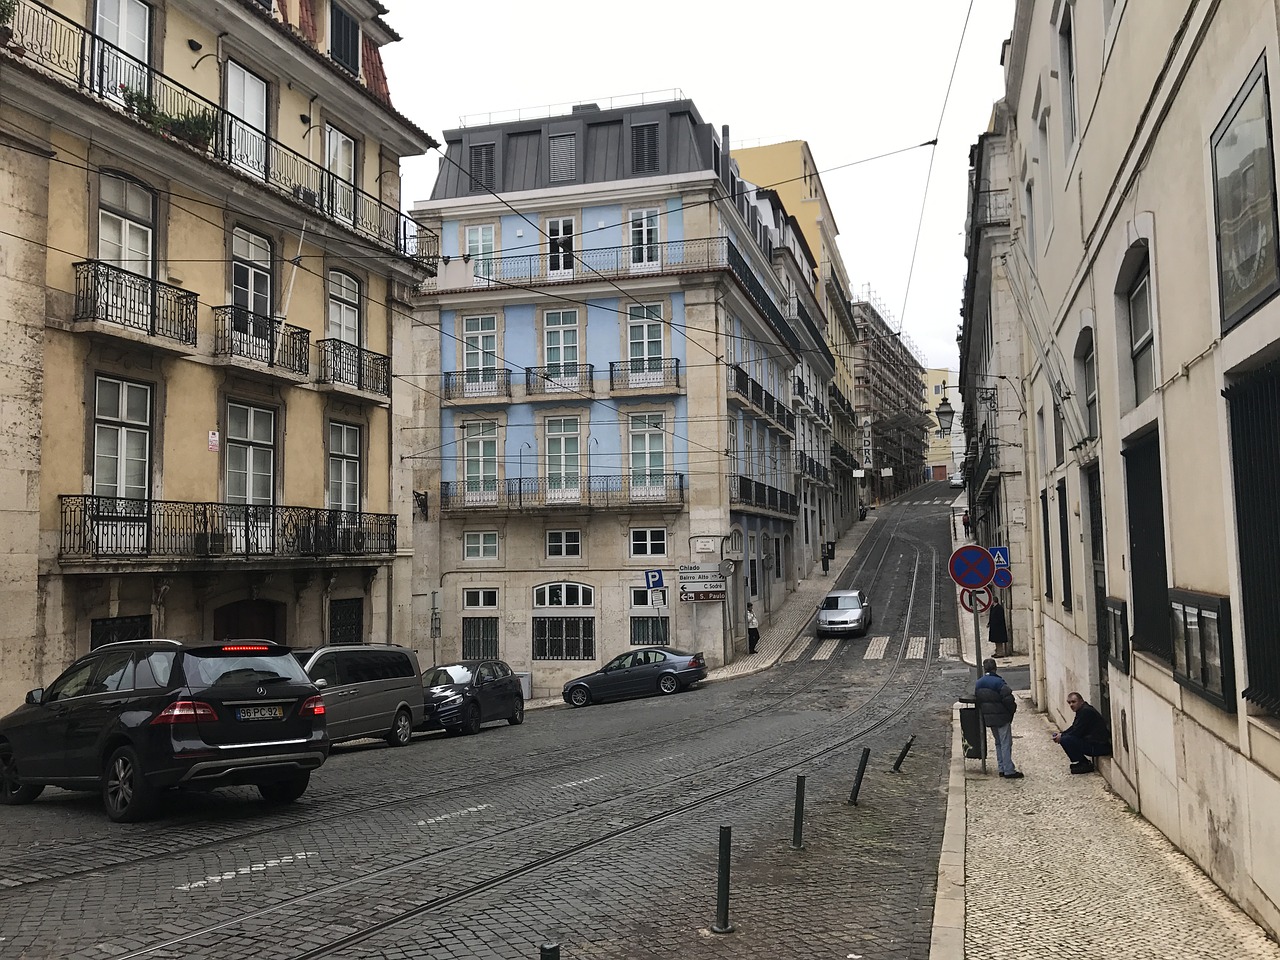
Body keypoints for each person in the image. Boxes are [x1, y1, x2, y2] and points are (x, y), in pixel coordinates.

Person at [974, 658, 1023, 779]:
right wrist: (1011, 711)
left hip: (989, 718)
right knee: (1006, 743)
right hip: (1002, 717)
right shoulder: (999, 683)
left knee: (998, 743)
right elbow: (1009, 700)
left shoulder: (978, 683)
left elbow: (978, 700)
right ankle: (1008, 770)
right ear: (995, 668)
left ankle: (1001, 767)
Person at [1052, 692, 1112, 773]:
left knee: (1066, 740)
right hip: (1095, 744)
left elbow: (1077, 732)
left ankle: (1084, 764)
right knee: (1065, 738)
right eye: (1069, 702)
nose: (1071, 705)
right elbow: (1074, 727)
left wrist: (1062, 736)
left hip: (1099, 747)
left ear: (1081, 701)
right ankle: (1082, 762)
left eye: (1073, 702)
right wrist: (1061, 734)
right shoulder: (1082, 710)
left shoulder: (1086, 712)